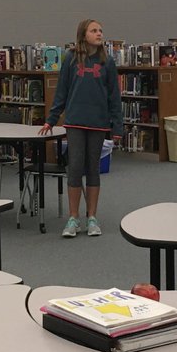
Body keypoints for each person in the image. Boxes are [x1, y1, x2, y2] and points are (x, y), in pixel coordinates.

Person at [40, 18, 123, 238]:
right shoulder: (70, 58)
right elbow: (62, 91)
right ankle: (73, 218)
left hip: (98, 123)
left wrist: (117, 127)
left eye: (101, 30)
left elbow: (114, 96)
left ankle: (92, 218)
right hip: (75, 121)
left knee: (93, 168)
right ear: (83, 34)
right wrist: (51, 119)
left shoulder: (107, 62)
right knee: (75, 167)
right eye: (94, 30)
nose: (99, 33)